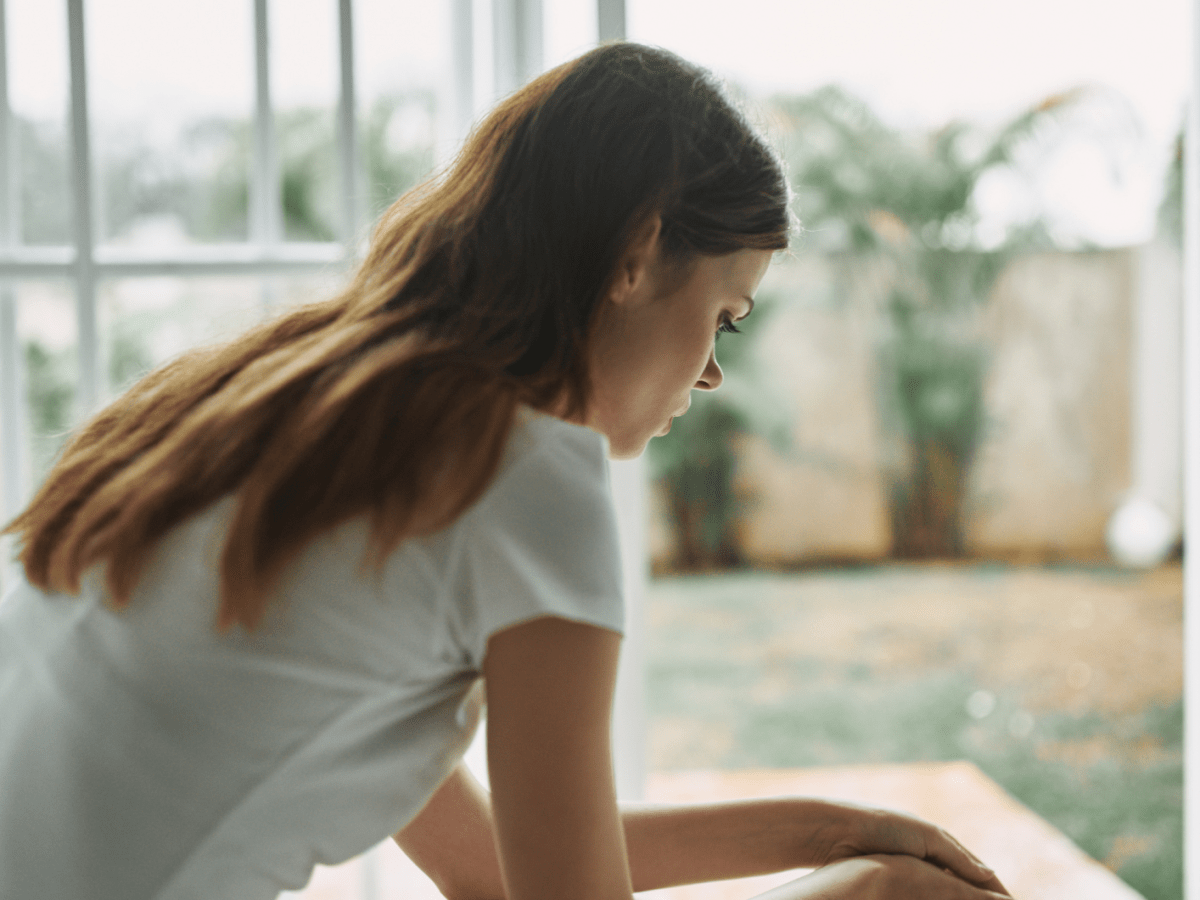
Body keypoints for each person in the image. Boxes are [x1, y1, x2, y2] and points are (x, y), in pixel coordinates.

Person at [0, 42, 1011, 900]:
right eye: (725, 314)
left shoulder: (306, 402)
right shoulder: (526, 472)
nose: (709, 370)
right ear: (637, 251)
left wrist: (836, 832)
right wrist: (868, 891)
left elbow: (488, 864)